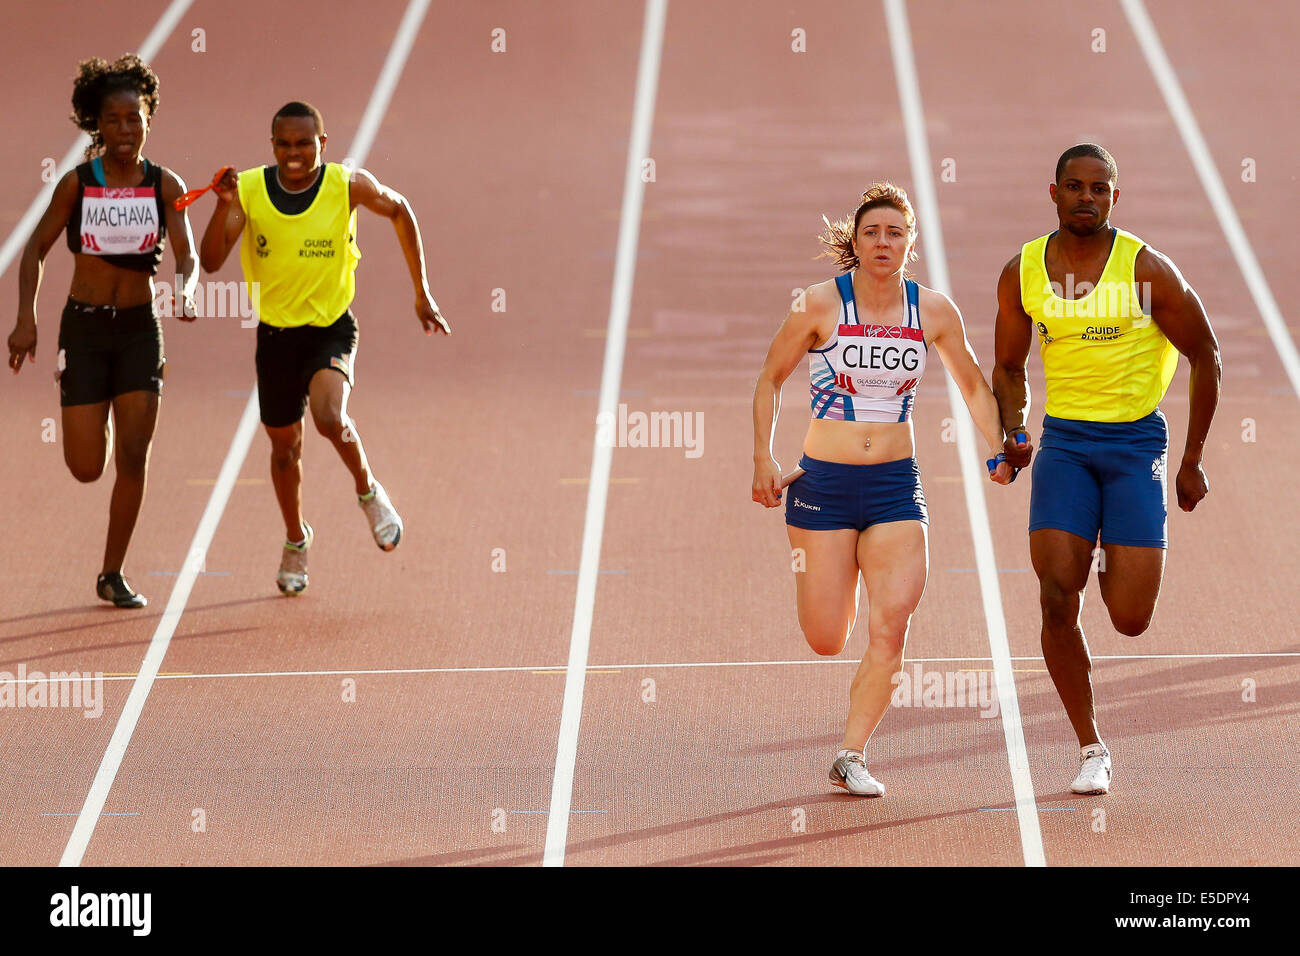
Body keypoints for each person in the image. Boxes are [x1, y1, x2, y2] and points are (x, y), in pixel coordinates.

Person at [752, 182, 1014, 796]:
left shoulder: (934, 311)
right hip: (825, 485)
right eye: (872, 231)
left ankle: (851, 752)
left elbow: (975, 387)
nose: (883, 241)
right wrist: (761, 458)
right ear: (855, 240)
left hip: (897, 486)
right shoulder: (819, 305)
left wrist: (999, 446)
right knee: (826, 638)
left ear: (910, 244)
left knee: (892, 624)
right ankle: (828, 605)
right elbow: (768, 379)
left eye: (895, 232)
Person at [993, 144, 1221, 795]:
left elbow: (1206, 355)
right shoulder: (1024, 271)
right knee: (1056, 594)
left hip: (1134, 449)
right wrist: (1014, 427)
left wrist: (1192, 460)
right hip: (1064, 447)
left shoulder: (1146, 269)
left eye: (1099, 188)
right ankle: (1092, 746)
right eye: (1074, 187)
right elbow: (1009, 367)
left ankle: (1104, 537)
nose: (1086, 197)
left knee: (1129, 617)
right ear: (1055, 193)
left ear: (1115, 198)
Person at [199, 101, 449, 595]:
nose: (294, 154)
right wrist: (223, 204)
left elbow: (400, 211)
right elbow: (209, 263)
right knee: (285, 450)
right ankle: (296, 540)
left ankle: (369, 492)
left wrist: (421, 291)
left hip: (330, 328)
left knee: (329, 417)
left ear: (323, 144)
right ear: (272, 146)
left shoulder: (347, 185)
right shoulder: (248, 190)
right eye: (285, 144)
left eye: (304, 143)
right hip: (275, 338)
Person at [7, 54, 199, 609]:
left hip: (141, 331)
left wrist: (185, 291)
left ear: (148, 121)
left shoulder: (166, 185)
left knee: (133, 460)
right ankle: (95, 411)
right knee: (88, 467)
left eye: (134, 119)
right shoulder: (77, 185)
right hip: (85, 331)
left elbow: (186, 257)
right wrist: (27, 319)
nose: (124, 131)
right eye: (113, 121)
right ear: (97, 124)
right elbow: (34, 252)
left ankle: (112, 573)